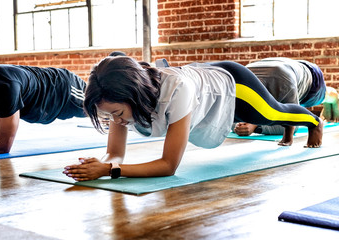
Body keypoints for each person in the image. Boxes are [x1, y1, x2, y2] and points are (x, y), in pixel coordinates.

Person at [63, 56, 323, 181]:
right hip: (203, 85)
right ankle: (291, 130)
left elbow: (168, 165)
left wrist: (111, 171)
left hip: (232, 85)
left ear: (135, 96)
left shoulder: (176, 91)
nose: (115, 122)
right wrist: (101, 164)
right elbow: (115, 153)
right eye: (108, 116)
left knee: (273, 113)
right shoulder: (116, 96)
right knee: (273, 115)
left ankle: (313, 122)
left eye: (117, 114)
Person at [0, 64, 86, 154]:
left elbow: (2, 145)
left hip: (62, 89)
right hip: (43, 107)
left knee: (98, 106)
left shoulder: (7, 87)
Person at [233, 57, 327, 136]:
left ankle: (334, 98)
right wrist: (239, 126)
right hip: (279, 64)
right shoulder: (236, 87)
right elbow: (227, 119)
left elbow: (293, 124)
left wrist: (256, 126)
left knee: (324, 98)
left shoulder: (284, 84)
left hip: (312, 77)